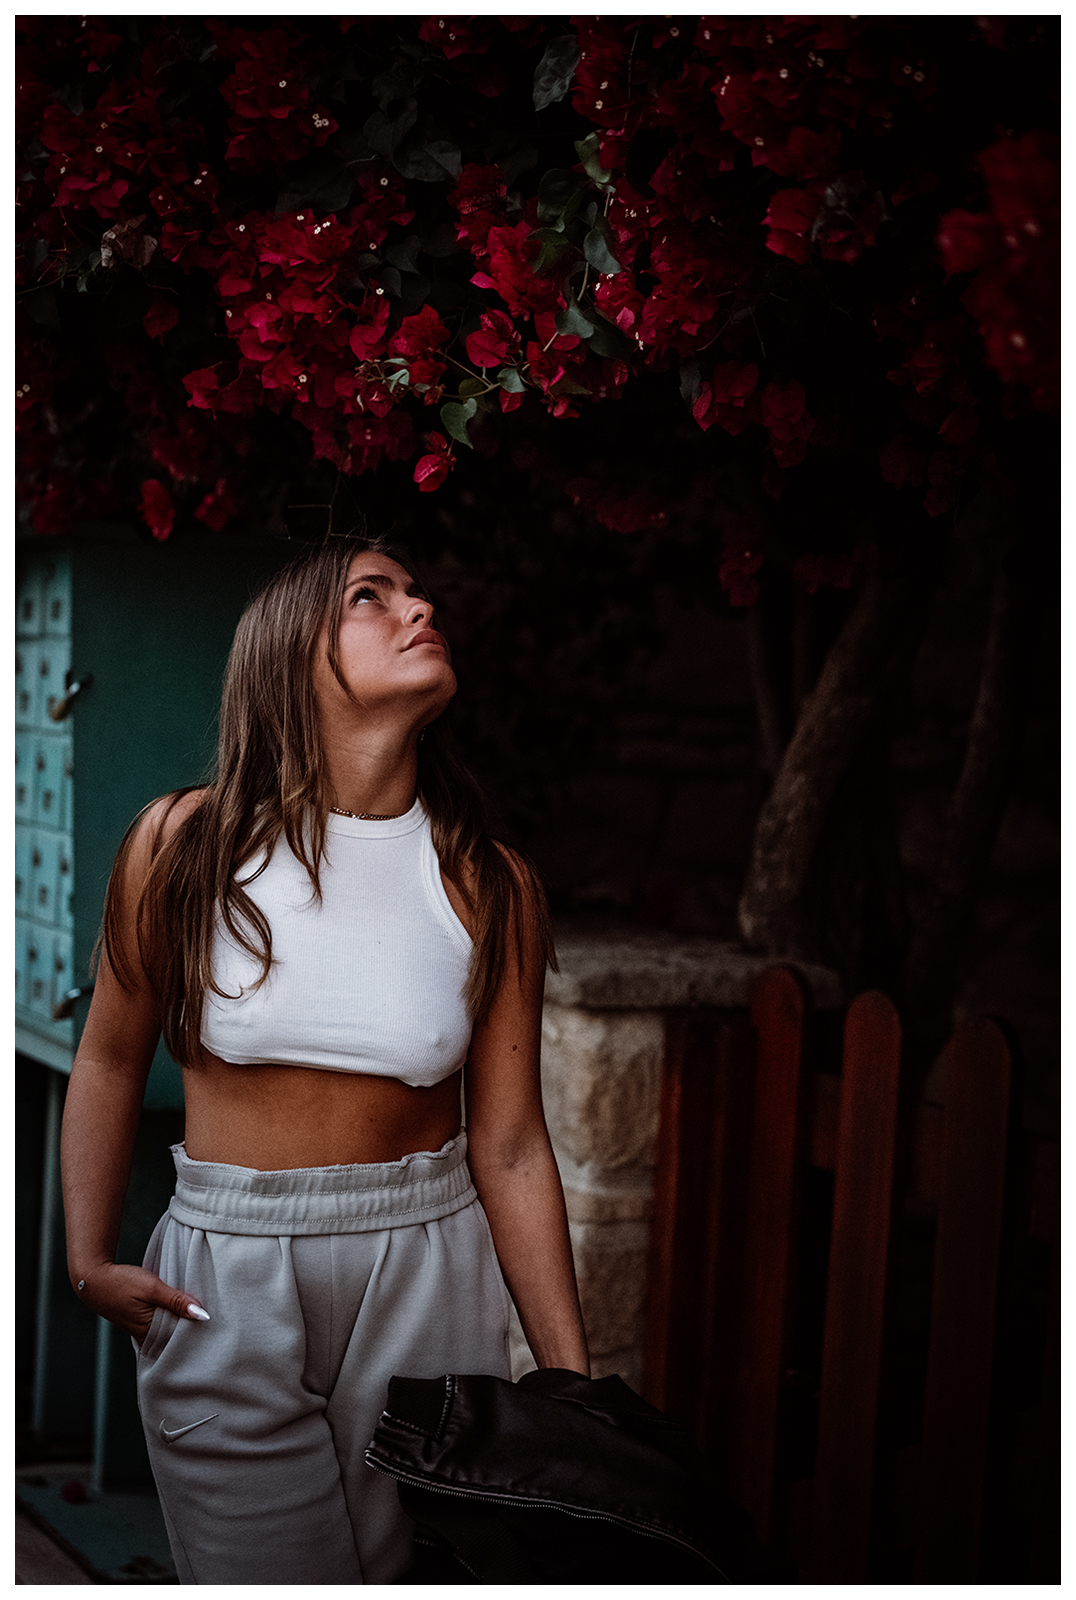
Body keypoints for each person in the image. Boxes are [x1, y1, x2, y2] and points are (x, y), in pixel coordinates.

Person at [60, 533, 590, 1585]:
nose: (418, 607)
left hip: (426, 1269)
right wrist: (88, 1260)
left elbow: (511, 1145)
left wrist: (572, 1384)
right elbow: (111, 1059)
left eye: (416, 591)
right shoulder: (182, 847)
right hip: (229, 1273)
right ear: (288, 656)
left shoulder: (491, 885)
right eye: (370, 596)